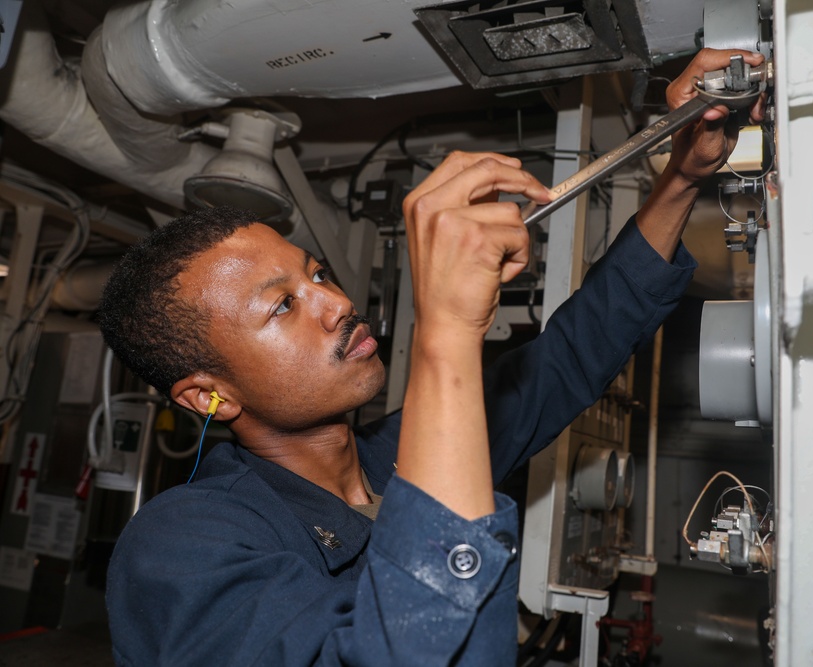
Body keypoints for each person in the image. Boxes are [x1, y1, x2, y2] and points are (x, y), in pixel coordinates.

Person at [97, 49, 765, 666]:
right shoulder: (180, 544)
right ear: (207, 395)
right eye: (282, 306)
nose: (335, 301)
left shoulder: (402, 455)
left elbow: (571, 354)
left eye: (318, 274)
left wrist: (683, 174)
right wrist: (446, 328)